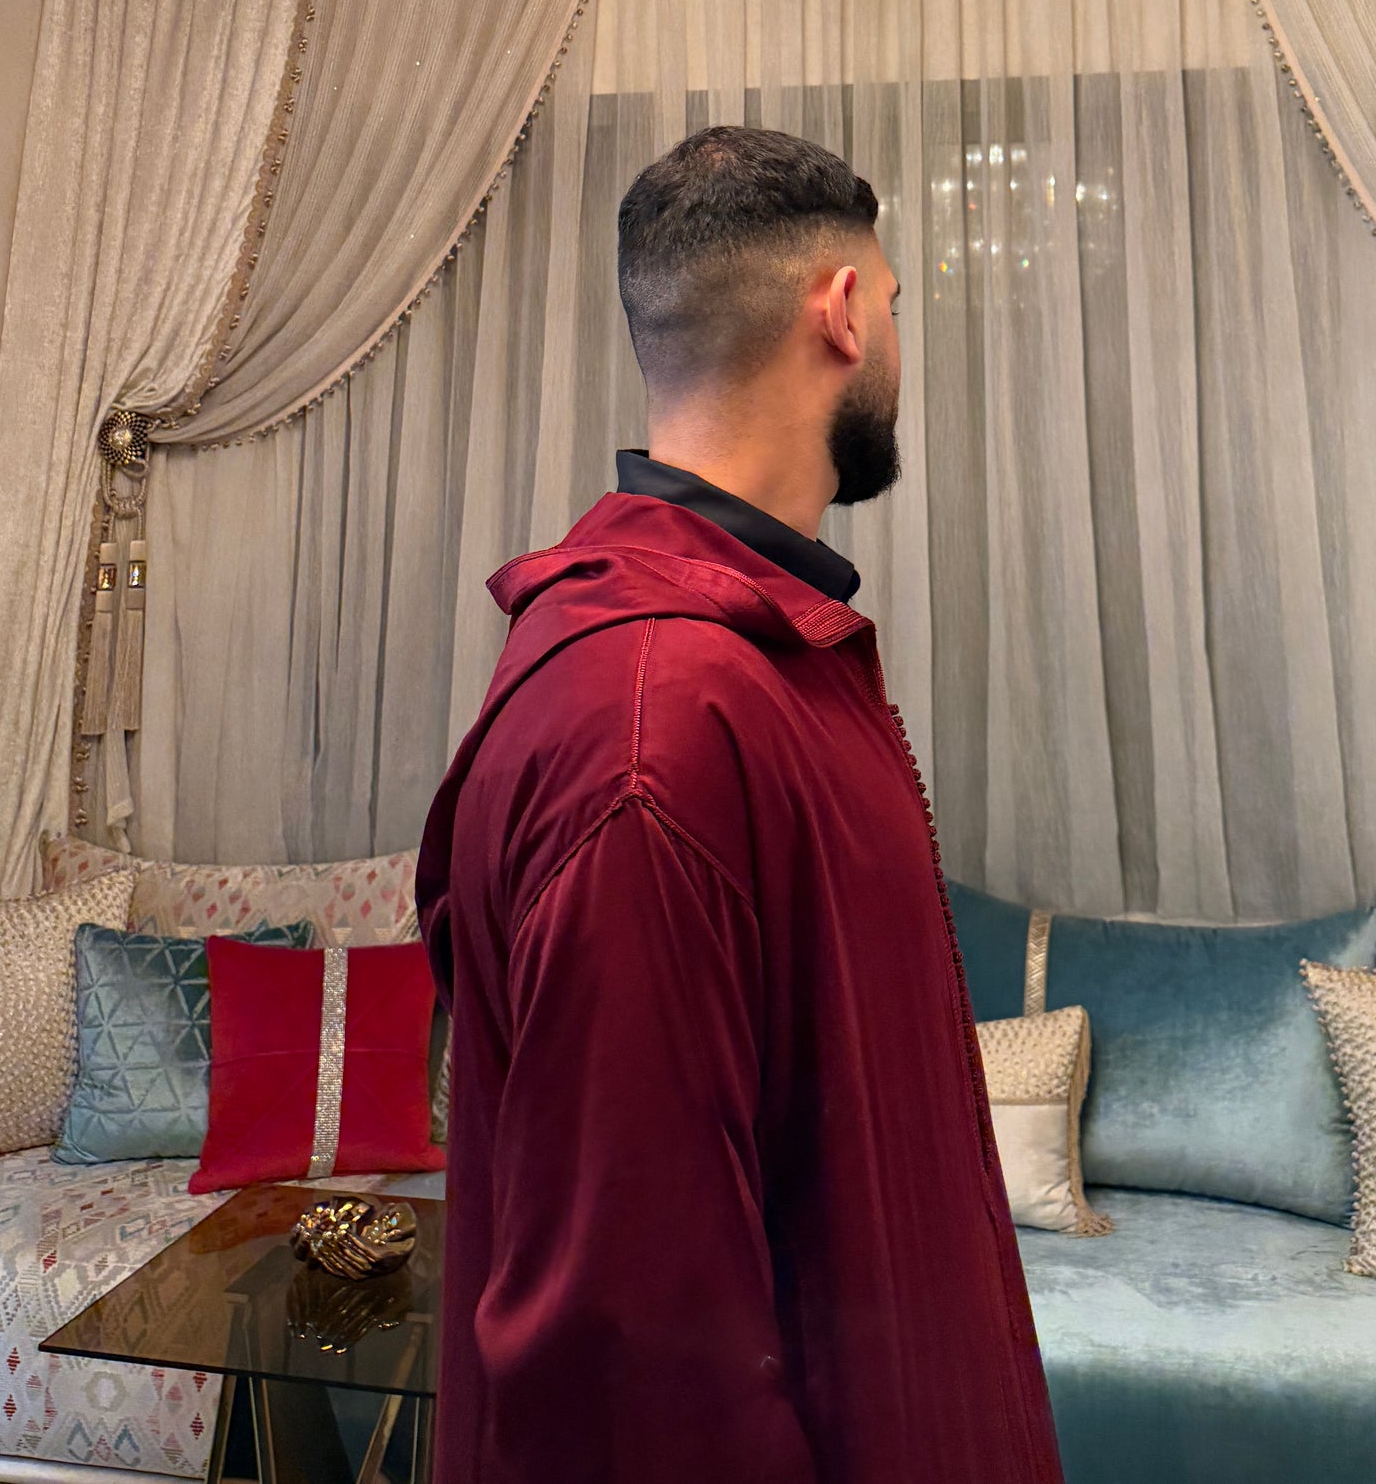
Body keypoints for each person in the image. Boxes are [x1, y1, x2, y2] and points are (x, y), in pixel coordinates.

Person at [415, 127, 1063, 1484]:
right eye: (895, 305)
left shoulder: (750, 662)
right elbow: (632, 1366)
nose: (895, 341)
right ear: (841, 311)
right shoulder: (653, 729)